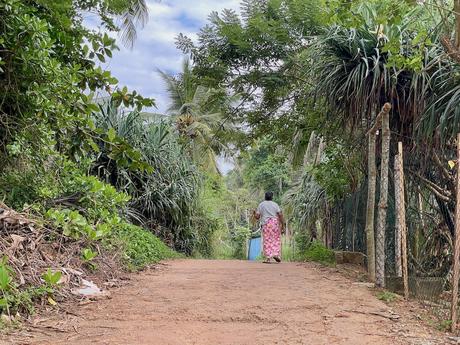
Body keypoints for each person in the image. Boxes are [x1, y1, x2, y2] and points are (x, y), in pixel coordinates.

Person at [253, 191, 285, 263]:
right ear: (272, 197)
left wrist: (254, 214)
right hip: (274, 223)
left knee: (267, 239)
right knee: (276, 239)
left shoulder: (261, 205)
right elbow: (280, 214)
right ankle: (276, 254)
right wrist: (282, 224)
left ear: (265, 197)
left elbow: (257, 217)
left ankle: (268, 258)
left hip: (266, 224)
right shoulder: (275, 204)